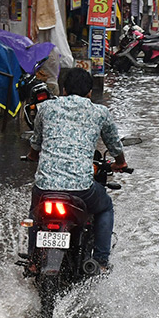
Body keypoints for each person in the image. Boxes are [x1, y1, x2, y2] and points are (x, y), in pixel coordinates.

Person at [26, 67, 127, 271]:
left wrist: (32, 156)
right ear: (90, 93)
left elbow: (36, 143)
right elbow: (115, 145)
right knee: (105, 207)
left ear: (63, 90)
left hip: (46, 188)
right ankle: (100, 260)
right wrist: (121, 163)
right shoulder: (100, 112)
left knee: (35, 214)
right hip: (81, 189)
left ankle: (33, 261)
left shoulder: (45, 108)